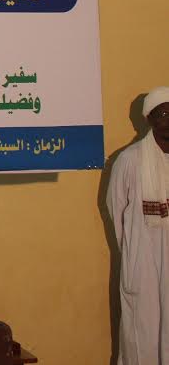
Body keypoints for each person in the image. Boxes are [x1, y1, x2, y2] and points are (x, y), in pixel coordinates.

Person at [107, 86, 169, 365]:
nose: (168, 120)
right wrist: (135, 252)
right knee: (142, 334)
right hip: (143, 263)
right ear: (150, 119)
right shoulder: (130, 159)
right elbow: (115, 208)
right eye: (163, 114)